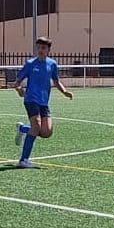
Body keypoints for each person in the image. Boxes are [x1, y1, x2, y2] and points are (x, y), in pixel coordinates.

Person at [12, 37, 74, 168]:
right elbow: (17, 82)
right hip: (30, 100)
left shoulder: (52, 64)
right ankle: (23, 160)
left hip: (43, 102)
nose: (40, 50)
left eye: (43, 48)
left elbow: (56, 81)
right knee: (36, 127)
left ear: (48, 50)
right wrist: (19, 90)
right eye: (39, 47)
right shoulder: (30, 64)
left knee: (46, 132)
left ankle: (22, 129)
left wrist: (65, 92)